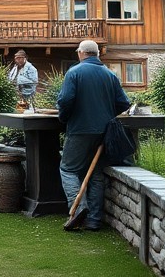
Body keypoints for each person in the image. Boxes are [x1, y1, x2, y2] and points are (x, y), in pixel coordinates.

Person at [56, 39, 130, 232]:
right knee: (96, 174)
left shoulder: (74, 72)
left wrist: (64, 118)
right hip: (104, 132)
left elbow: (65, 100)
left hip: (80, 129)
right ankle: (94, 221)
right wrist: (106, 114)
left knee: (68, 169)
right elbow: (124, 103)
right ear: (97, 54)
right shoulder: (109, 75)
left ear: (81, 53)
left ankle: (79, 208)